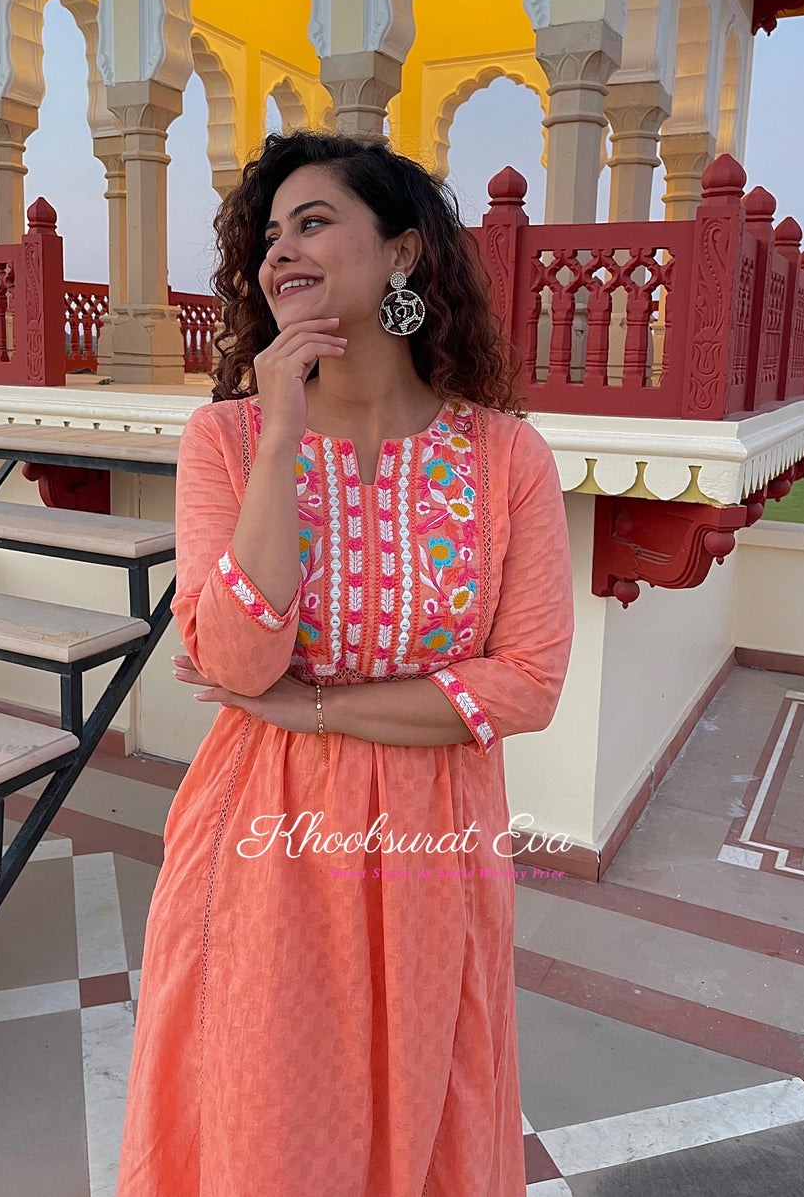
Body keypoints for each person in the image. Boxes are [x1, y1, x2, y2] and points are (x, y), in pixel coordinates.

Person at [116, 131, 575, 1197]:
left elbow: (528, 684)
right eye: (269, 236)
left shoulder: (506, 457)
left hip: (432, 846)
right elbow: (236, 657)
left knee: (426, 1111)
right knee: (272, 1125)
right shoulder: (227, 442)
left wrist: (311, 708)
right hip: (266, 841)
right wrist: (281, 435)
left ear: (404, 252)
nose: (281, 251)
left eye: (314, 222)